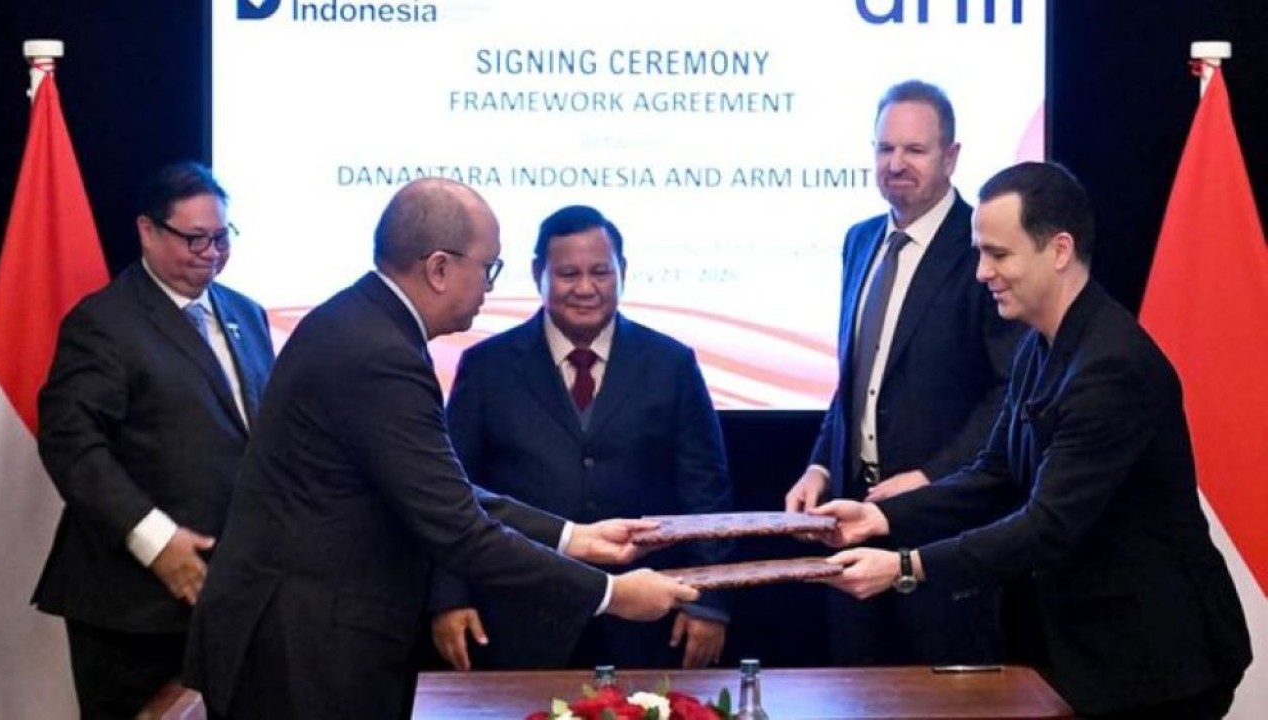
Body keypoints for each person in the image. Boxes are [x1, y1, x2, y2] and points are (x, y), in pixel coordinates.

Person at [183, 178, 699, 720]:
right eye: (488, 268)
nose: (489, 288)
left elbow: (440, 488)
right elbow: (456, 526)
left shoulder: (364, 323)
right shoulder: (378, 353)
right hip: (301, 649)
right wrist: (611, 594)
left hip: (311, 637)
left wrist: (574, 537)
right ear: (438, 268)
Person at [812, 161, 1252, 718]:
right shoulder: (1039, 345)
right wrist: (882, 517)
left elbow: (1046, 528)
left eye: (998, 254)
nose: (982, 273)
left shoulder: (1112, 366)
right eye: (979, 253)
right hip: (1087, 656)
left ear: (1060, 250)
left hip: (1156, 665)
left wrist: (906, 566)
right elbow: (994, 474)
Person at [428, 205, 733, 671]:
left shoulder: (671, 364)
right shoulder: (486, 367)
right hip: (519, 615)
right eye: (568, 274)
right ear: (539, 274)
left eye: (600, 272)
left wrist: (708, 602)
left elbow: (705, 491)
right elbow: (452, 493)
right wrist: (449, 598)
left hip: (646, 619)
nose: (586, 288)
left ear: (622, 271)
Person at [784, 80, 1023, 665]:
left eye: (914, 150)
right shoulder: (860, 240)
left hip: (945, 532)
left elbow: (1010, 389)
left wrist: (934, 475)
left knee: (944, 698)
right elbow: (858, 379)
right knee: (858, 693)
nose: (896, 164)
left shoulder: (983, 247)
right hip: (851, 525)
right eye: (885, 148)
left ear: (951, 156)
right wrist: (820, 464)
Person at [32, 161, 275, 718]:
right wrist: (156, 540)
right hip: (132, 609)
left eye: (222, 238)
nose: (211, 253)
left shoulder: (247, 314)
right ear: (147, 230)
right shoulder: (104, 322)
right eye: (195, 239)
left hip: (231, 600)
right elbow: (70, 442)